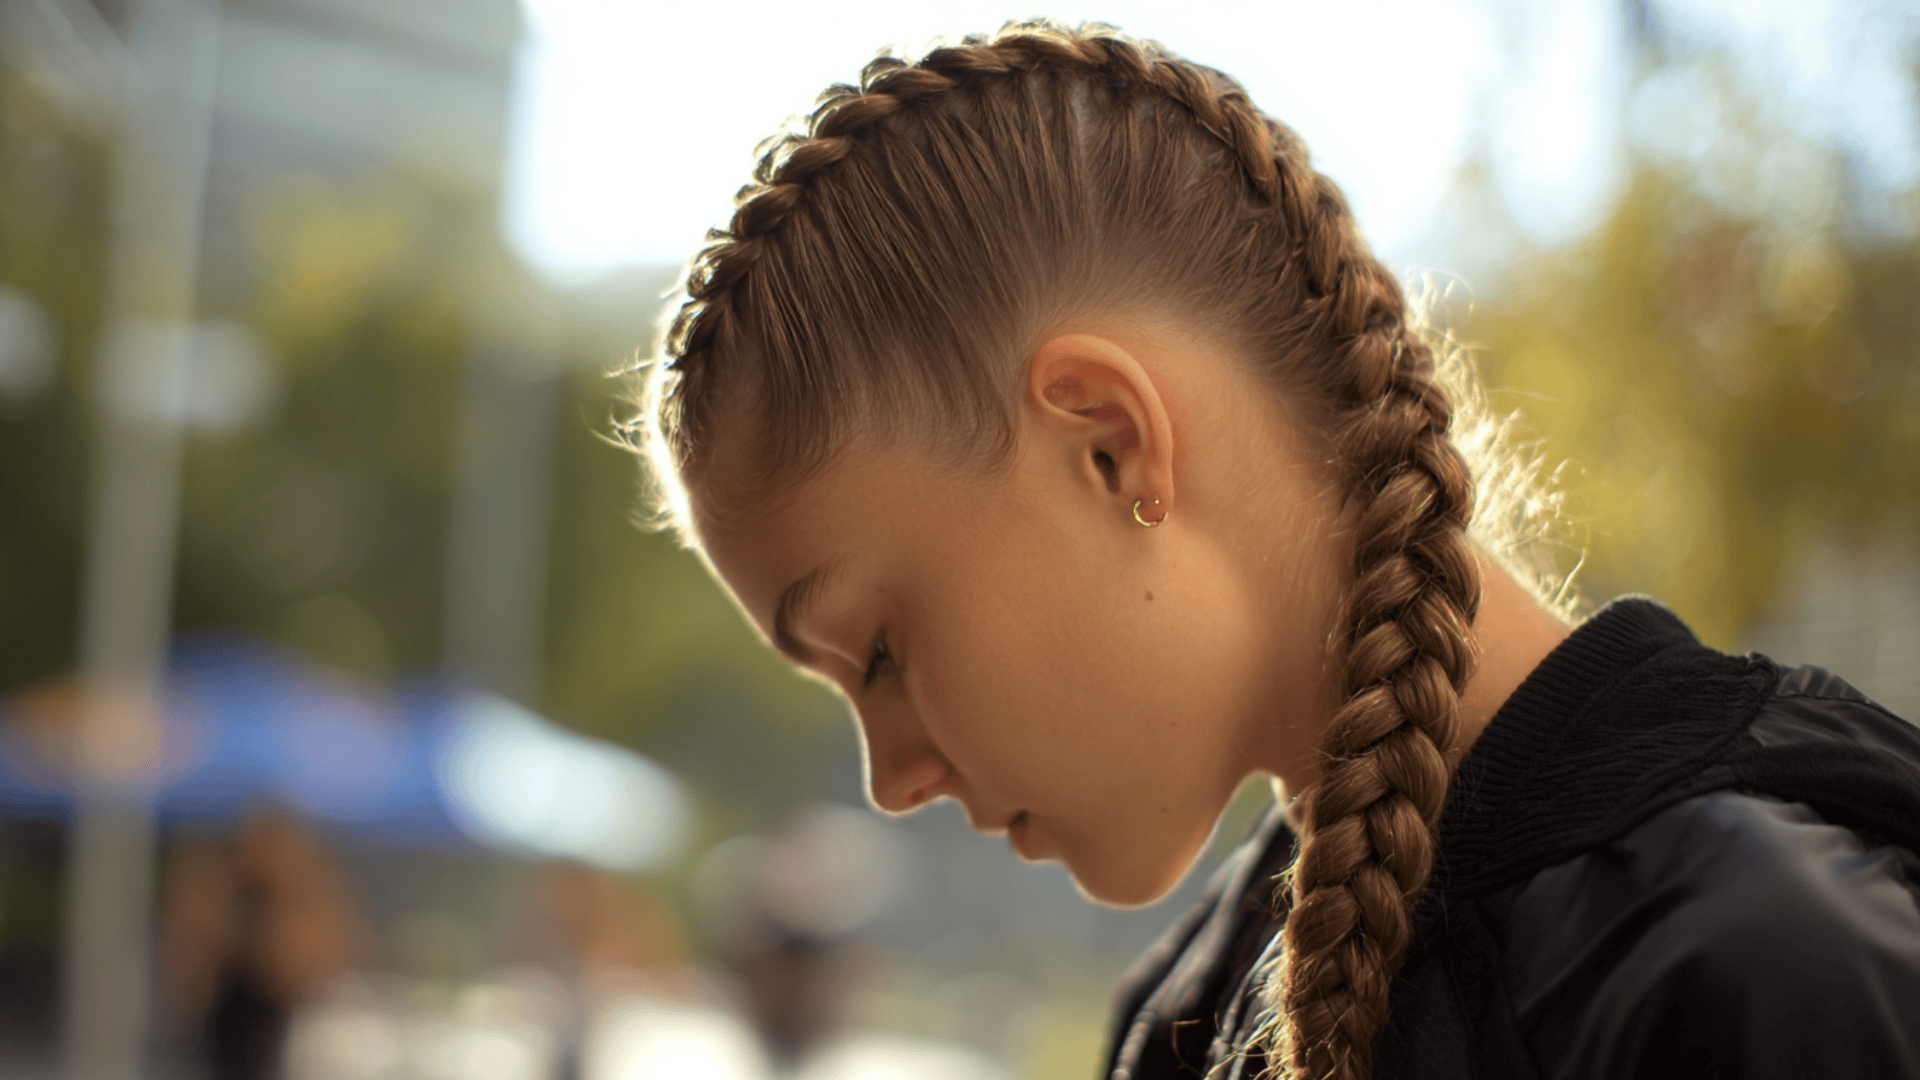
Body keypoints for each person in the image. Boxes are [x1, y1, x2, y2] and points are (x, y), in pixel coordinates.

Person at [620, 20, 1920, 1079]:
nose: (889, 781)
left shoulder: (1762, 971)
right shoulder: (1191, 1018)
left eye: (883, 649)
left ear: (1113, 445)